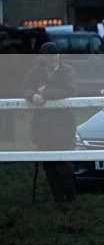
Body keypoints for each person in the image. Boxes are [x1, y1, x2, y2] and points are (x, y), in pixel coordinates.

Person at [21, 42, 78, 202]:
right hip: (43, 126)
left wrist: (45, 92)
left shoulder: (68, 70)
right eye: (50, 55)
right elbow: (24, 88)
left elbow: (70, 91)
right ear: (43, 57)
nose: (54, 58)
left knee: (64, 165)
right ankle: (58, 199)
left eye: (56, 55)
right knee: (49, 165)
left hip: (63, 125)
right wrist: (33, 95)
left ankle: (70, 197)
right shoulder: (36, 72)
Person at [0, 31, 20, 141]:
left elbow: (13, 69)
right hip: (6, 86)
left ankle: (9, 135)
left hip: (7, 87)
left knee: (8, 112)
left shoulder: (10, 53)